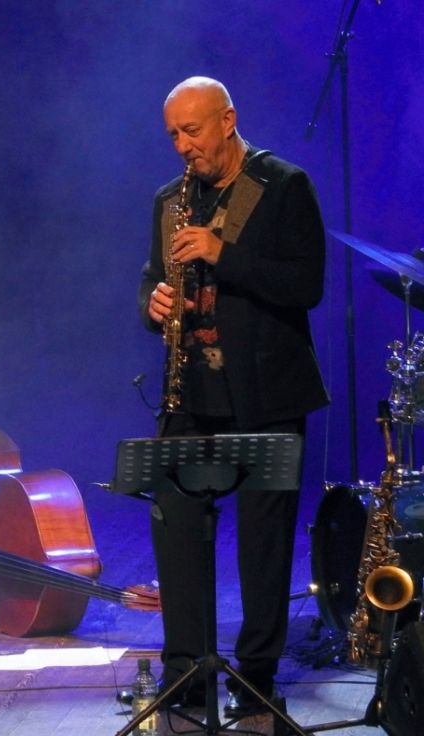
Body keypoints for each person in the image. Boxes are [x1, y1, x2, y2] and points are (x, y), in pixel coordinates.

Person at [139, 77, 328, 717]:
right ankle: (187, 674)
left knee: (264, 544)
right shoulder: (171, 201)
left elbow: (306, 285)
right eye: (173, 135)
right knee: (178, 533)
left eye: (192, 130)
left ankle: (255, 680)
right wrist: (153, 303)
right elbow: (149, 281)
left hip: (267, 394)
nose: (183, 146)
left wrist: (224, 253)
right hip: (190, 394)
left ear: (227, 121)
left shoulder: (283, 186)